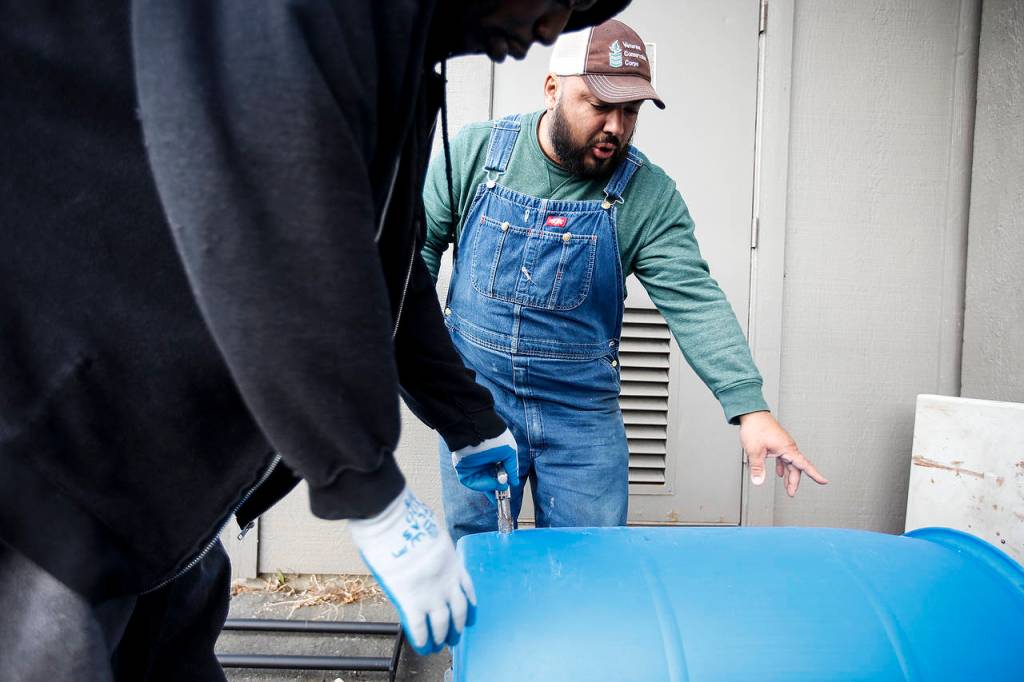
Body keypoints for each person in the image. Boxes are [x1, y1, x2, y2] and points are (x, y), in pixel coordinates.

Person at [0, 1, 631, 679]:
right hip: (49, 451)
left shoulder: (405, 60)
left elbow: (384, 262)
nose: (551, 28)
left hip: (165, 476)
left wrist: (470, 421)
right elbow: (268, 229)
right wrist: (369, 492)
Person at [422, 18, 828, 542]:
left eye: (630, 111)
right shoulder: (476, 153)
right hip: (477, 399)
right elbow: (417, 256)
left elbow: (694, 300)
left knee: (591, 564)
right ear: (552, 89)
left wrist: (749, 407)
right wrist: (413, 370)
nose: (615, 126)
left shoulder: (647, 195)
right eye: (599, 105)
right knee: (473, 551)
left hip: (580, 414)